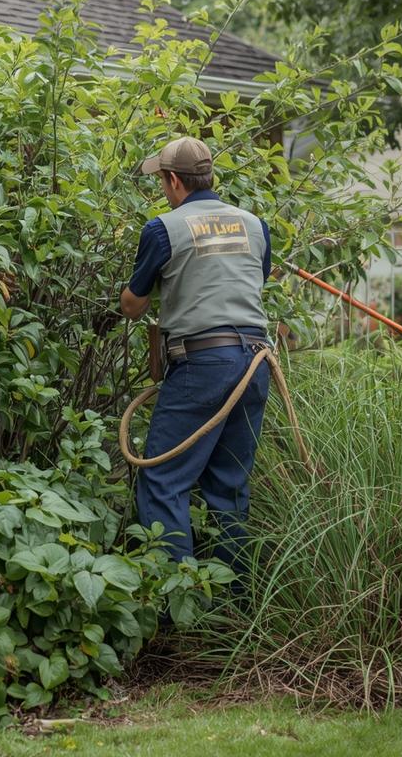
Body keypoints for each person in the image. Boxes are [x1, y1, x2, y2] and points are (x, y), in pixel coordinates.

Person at [119, 136, 271, 573]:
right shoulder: (254, 224)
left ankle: (175, 603)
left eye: (161, 183)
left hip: (202, 365)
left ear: (172, 180)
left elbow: (133, 305)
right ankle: (233, 607)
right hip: (255, 363)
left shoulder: (163, 228)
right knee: (229, 486)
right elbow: (253, 280)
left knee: (163, 480)